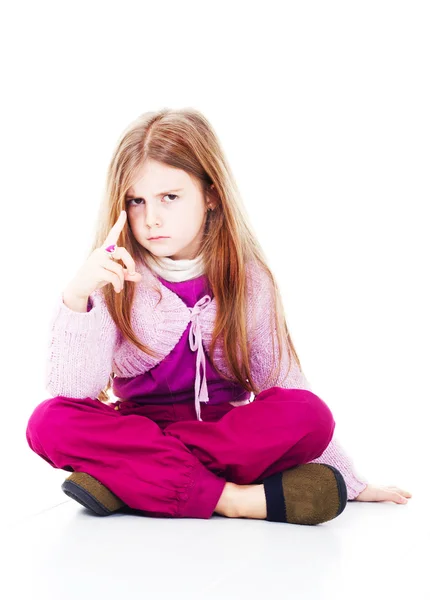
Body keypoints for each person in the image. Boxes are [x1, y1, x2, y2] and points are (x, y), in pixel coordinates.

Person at [25, 108, 412, 525]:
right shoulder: (113, 275)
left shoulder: (248, 278)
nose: (151, 218)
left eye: (169, 197)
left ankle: (132, 479)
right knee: (47, 421)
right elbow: (74, 391)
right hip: (137, 428)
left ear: (211, 195)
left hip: (225, 438)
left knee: (310, 413)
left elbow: (283, 382)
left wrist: (351, 480)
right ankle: (233, 499)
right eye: (136, 201)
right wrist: (77, 296)